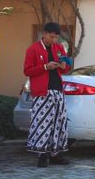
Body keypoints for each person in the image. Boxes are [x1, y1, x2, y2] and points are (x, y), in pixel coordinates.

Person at [24, 22, 72, 167]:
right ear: (44, 34)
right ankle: (42, 155)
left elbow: (65, 68)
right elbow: (27, 70)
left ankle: (56, 154)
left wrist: (64, 66)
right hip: (42, 92)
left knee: (59, 122)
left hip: (58, 90)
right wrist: (45, 66)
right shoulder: (33, 49)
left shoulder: (59, 48)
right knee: (42, 123)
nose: (54, 40)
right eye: (51, 36)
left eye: (56, 37)